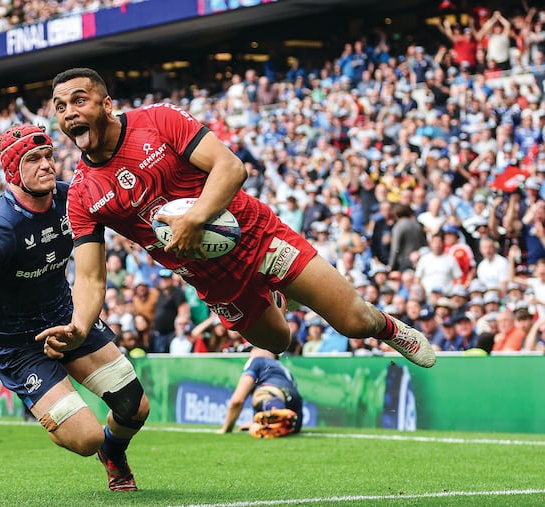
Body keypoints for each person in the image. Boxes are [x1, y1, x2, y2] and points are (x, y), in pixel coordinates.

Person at [37, 67, 435, 371]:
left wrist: (195, 219)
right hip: (213, 279)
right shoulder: (81, 194)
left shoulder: (158, 120)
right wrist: (80, 327)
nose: (70, 112)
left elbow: (230, 167)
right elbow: (91, 278)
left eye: (79, 100)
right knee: (279, 341)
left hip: (256, 236)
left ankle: (389, 328)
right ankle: (278, 297)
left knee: (353, 322)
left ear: (106, 105)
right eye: (60, 107)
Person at [0, 124, 149, 492]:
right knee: (86, 438)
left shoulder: (72, 199)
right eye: (32, 159)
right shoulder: (1, 228)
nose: (46, 165)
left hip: (68, 321)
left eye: (49, 156)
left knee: (135, 406)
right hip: (20, 345)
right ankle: (56, 408)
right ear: (12, 170)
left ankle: (114, 453)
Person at [216, 346, 303, 438]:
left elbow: (237, 400)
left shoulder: (258, 361)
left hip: (274, 393)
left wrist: (226, 428)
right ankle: (278, 421)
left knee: (261, 394)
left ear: (260, 350)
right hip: (295, 409)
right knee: (257, 424)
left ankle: (277, 416)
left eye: (253, 350)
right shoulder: (284, 369)